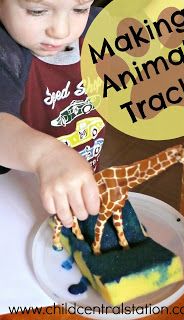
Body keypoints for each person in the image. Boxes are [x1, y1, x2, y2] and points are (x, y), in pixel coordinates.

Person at [0, 0, 105, 228]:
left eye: (80, 9)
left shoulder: (99, 28)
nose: (61, 31)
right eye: (37, 11)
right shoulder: (5, 52)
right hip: (18, 205)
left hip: (77, 187)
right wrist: (46, 156)